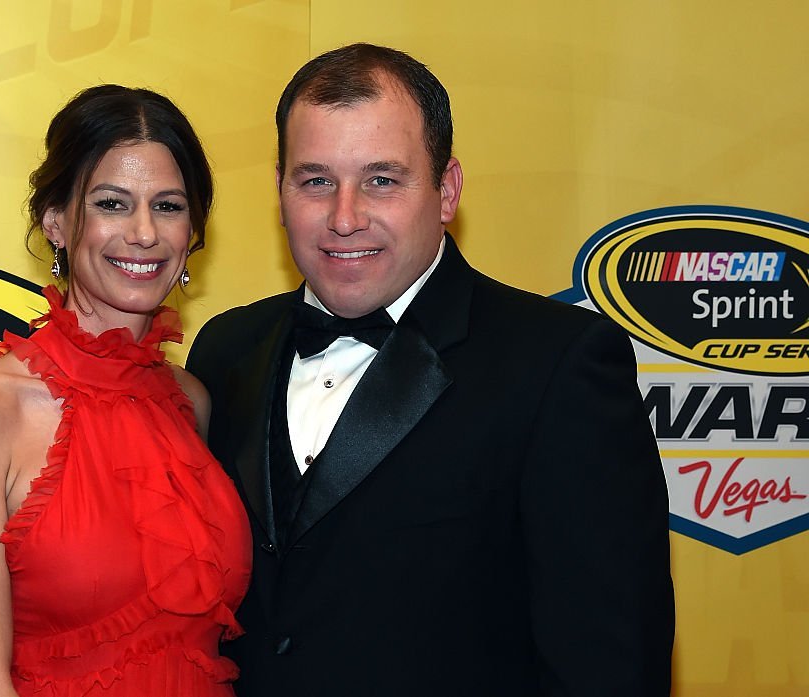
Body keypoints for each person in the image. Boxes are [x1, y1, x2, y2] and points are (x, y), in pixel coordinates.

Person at [186, 44, 674, 696]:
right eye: (316, 180)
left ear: (446, 191)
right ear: (279, 190)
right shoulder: (225, 348)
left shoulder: (559, 363)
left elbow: (610, 664)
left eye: (382, 179)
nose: (344, 216)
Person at [0, 85, 251, 697]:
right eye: (112, 204)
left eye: (170, 205)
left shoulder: (189, 402)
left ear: (193, 230)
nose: (145, 233)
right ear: (56, 222)